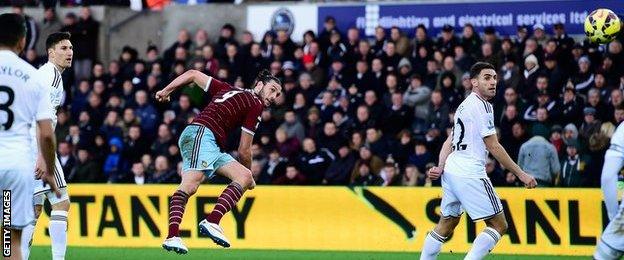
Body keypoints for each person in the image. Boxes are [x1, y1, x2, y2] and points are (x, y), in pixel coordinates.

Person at [155, 69, 282, 253]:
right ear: (259, 85)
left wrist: (166, 90)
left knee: (189, 187)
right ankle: (212, 220)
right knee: (245, 176)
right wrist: (246, 178)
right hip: (203, 136)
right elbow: (244, 150)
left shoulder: (227, 89)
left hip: (198, 137)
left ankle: (172, 236)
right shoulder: (255, 104)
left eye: (277, 94)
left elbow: (192, 73)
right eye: (272, 90)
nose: (274, 96)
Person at [420, 62, 536, 260]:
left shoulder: (464, 106)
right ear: (474, 82)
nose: (492, 82)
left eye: (494, 78)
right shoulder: (482, 106)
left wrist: (440, 166)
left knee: (446, 224)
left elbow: (450, 140)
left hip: (452, 170)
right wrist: (521, 174)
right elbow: (493, 146)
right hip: (470, 172)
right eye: (487, 78)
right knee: (499, 225)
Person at [0, 13, 60, 260]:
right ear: (23, 41)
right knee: (11, 240)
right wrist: (47, 167)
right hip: (15, 167)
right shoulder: (33, 77)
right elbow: (46, 134)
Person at [21, 32, 73, 260]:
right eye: (63, 48)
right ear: (51, 52)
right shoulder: (51, 77)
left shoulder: (43, 75)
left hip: (23, 146)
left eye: (70, 48)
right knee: (61, 202)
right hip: (37, 147)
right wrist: (43, 155)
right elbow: (39, 118)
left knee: (33, 210)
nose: (69, 52)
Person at [601, 121, 624, 221]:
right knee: (607, 178)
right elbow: (607, 177)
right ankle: (616, 221)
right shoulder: (622, 130)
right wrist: (613, 216)